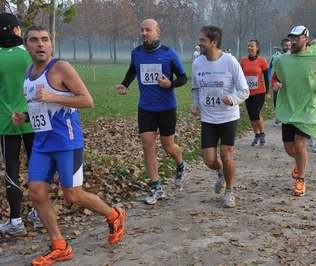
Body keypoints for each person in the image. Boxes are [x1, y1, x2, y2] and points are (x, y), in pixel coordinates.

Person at [13, 26, 126, 265]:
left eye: (45, 40)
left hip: (67, 142)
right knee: (36, 193)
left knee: (73, 195)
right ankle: (59, 245)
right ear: (27, 45)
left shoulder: (61, 68)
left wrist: (54, 96)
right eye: (34, 40)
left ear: (51, 45)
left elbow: (87, 100)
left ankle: (114, 214)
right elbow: (39, 107)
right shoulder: (28, 71)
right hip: (42, 144)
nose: (40, 44)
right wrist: (25, 116)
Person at [115, 19, 188, 205]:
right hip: (146, 107)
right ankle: (156, 186)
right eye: (142, 30)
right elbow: (133, 70)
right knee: (148, 146)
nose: (144, 33)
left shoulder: (168, 53)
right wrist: (125, 84)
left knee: (168, 146)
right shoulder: (137, 52)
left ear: (158, 32)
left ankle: (180, 164)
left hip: (166, 107)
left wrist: (169, 84)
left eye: (148, 30)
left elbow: (183, 78)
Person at [271, 25, 316, 196]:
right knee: (289, 148)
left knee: (300, 144)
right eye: (291, 38)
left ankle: (301, 180)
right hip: (289, 107)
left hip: (308, 108)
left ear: (306, 39)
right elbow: (276, 76)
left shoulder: (315, 58)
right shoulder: (283, 60)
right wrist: (274, 84)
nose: (293, 41)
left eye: (297, 38)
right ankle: (300, 162)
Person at [191, 25, 249, 207]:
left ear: (214, 43)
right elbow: (195, 88)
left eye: (202, 40)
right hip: (208, 118)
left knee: (226, 155)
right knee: (209, 159)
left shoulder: (230, 62)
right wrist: (195, 103)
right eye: (199, 40)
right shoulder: (197, 63)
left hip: (228, 117)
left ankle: (230, 191)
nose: (199, 43)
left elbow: (245, 91)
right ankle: (221, 173)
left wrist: (232, 99)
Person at [0, 12, 42, 236]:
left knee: (12, 168)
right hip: (33, 118)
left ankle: (15, 221)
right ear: (16, 31)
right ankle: (38, 212)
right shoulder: (30, 55)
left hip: (6, 123)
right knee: (37, 165)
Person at [240, 39, 270, 146]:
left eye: (252, 46)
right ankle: (256, 135)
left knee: (256, 114)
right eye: (248, 46)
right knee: (251, 116)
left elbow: (266, 77)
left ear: (257, 48)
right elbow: (240, 77)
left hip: (259, 91)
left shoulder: (262, 61)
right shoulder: (243, 61)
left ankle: (262, 134)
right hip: (248, 92)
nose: (249, 48)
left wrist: (267, 92)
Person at [268, 38, 291, 124]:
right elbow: (269, 67)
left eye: (289, 45)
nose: (288, 47)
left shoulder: (292, 55)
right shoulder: (276, 55)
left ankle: (286, 116)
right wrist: (269, 79)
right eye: (286, 46)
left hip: (288, 81)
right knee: (276, 99)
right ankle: (278, 115)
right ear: (282, 46)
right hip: (278, 80)